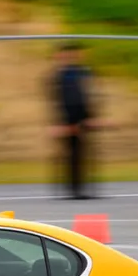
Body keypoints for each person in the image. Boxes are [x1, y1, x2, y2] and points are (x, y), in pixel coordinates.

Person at [48, 41, 100, 199]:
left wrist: (89, 118)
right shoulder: (60, 76)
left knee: (81, 155)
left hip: (81, 118)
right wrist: (65, 123)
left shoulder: (81, 72)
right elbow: (61, 101)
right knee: (71, 155)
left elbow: (87, 96)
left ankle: (78, 188)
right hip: (69, 119)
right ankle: (73, 189)